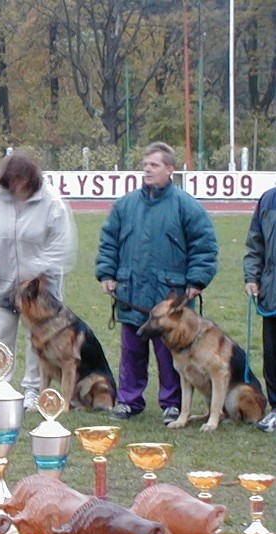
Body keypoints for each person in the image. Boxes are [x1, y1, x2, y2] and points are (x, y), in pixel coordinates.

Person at [96, 142, 218, 422]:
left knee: (170, 355)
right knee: (131, 352)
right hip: (131, 291)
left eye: (154, 165)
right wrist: (107, 273)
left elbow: (205, 245)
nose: (147, 170)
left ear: (170, 169)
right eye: (145, 165)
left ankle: (172, 403)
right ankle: (128, 401)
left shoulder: (186, 206)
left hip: (170, 298)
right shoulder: (125, 205)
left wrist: (197, 280)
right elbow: (108, 241)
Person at [0, 151, 75, 410]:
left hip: (41, 291)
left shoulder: (52, 203)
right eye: (11, 180)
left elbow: (62, 246)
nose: (16, 185)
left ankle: (33, 390)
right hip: (3, 284)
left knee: (38, 341)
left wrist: (36, 271)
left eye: (21, 179)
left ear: (32, 178)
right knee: (1, 336)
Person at [243, 186, 276, 432]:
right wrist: (252, 277)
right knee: (272, 355)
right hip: (272, 291)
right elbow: (256, 244)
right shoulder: (268, 199)